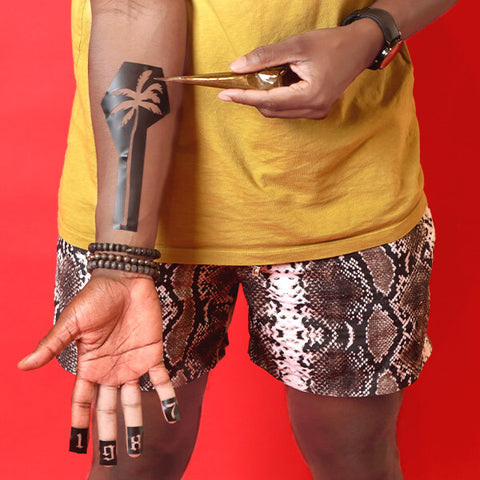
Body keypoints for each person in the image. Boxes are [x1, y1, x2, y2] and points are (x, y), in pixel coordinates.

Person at [18, 0, 458, 478]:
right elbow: (131, 8)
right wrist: (120, 263)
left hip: (341, 183)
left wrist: (371, 33)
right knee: (135, 462)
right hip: (135, 215)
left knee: (354, 458)